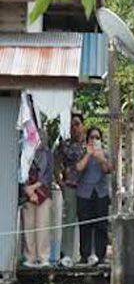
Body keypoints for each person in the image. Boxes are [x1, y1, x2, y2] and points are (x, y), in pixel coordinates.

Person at [76, 126, 112, 265]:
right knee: (85, 224)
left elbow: (108, 169)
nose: (94, 140)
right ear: (87, 139)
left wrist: (100, 158)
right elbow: (78, 168)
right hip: (84, 193)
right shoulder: (82, 152)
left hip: (101, 192)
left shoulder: (105, 153)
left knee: (101, 225)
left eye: (97, 137)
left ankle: (100, 255)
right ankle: (84, 255)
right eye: (92, 137)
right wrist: (88, 154)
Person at [55, 112, 87, 265]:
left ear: (83, 126)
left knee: (86, 220)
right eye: (71, 125)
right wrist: (60, 182)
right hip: (70, 187)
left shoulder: (89, 144)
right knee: (68, 220)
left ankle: (86, 254)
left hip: (87, 188)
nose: (74, 128)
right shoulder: (65, 144)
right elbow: (56, 163)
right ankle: (66, 254)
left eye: (77, 124)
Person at [20, 137, 53, 267]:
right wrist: (28, 190)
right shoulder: (24, 152)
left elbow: (48, 175)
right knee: (28, 225)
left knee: (43, 225)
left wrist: (34, 188)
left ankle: (43, 257)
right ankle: (30, 257)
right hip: (27, 192)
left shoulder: (48, 153)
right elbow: (21, 172)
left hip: (43, 192)